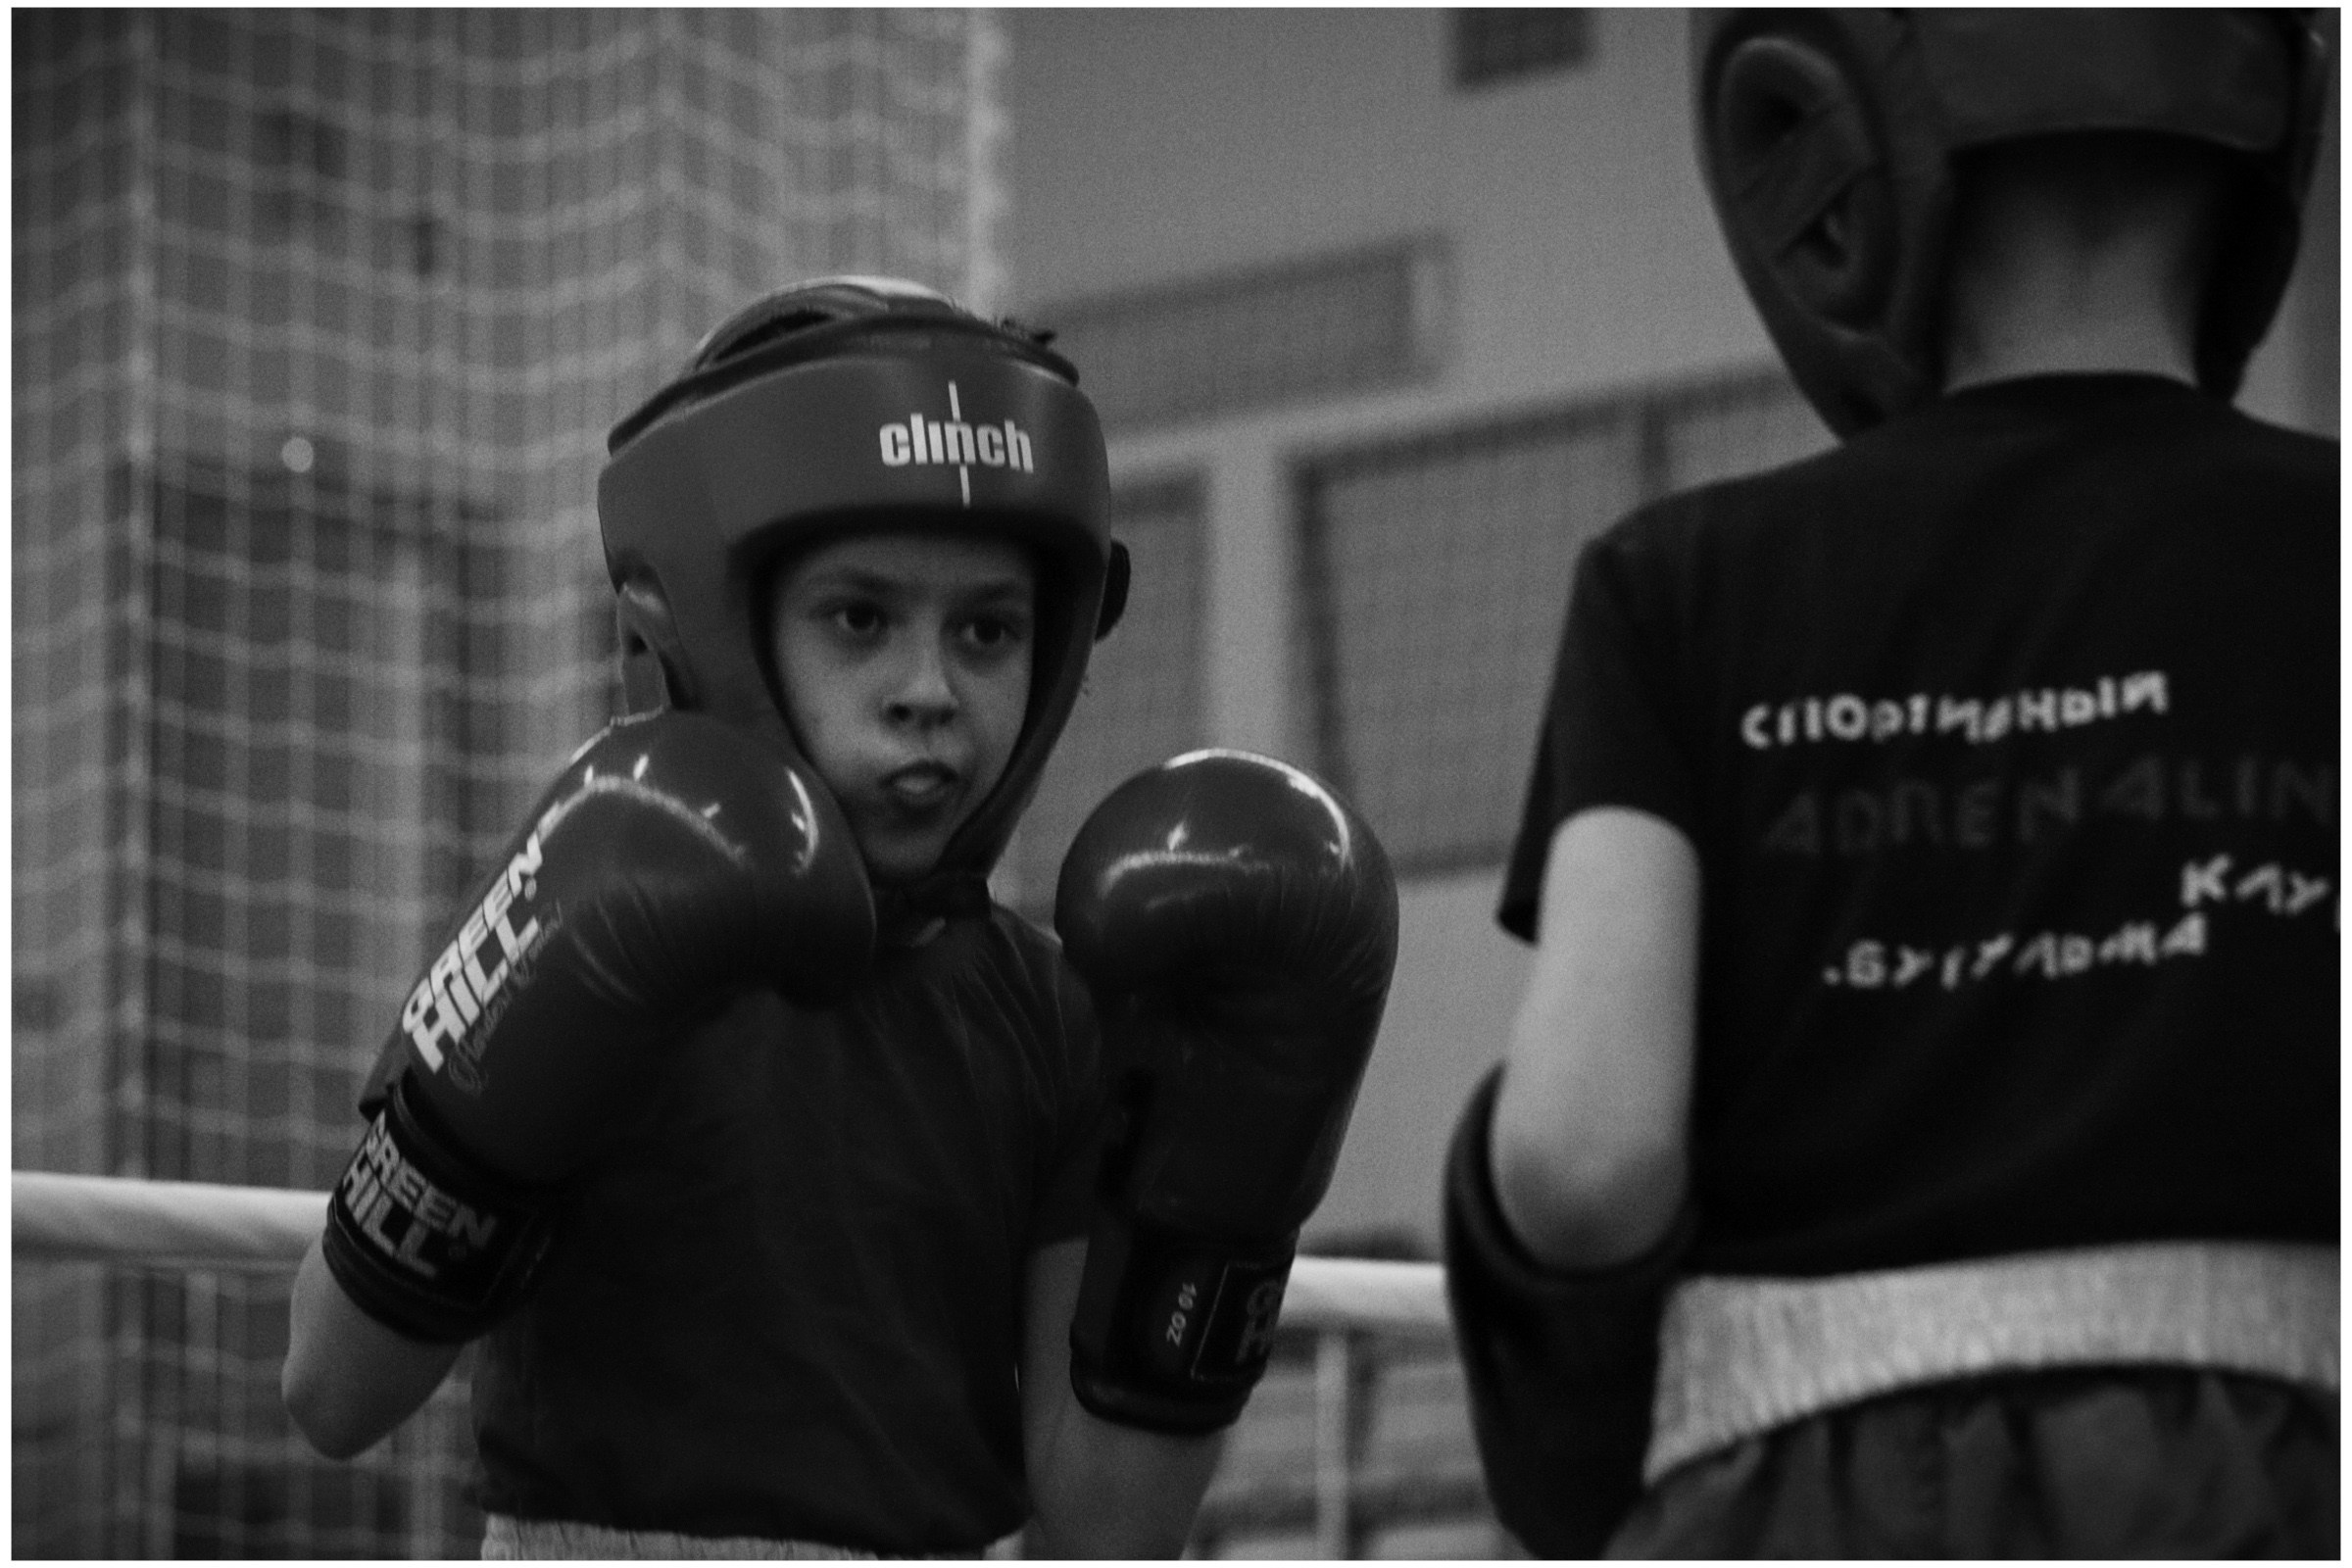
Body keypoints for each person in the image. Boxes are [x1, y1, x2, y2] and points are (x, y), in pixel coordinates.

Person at [281, 276, 1399, 1558]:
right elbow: (330, 1386)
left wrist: (1228, 1198)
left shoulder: (1055, 1012)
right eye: (859, 619)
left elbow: (1107, 1528)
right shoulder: (587, 896)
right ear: (715, 618)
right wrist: (510, 1070)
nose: (928, 690)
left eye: (988, 629)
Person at [1444, 11, 2336, 1558]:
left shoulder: (1678, 580)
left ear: (1835, 120)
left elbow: (1586, 1162)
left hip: (1800, 1495)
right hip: (2277, 1469)